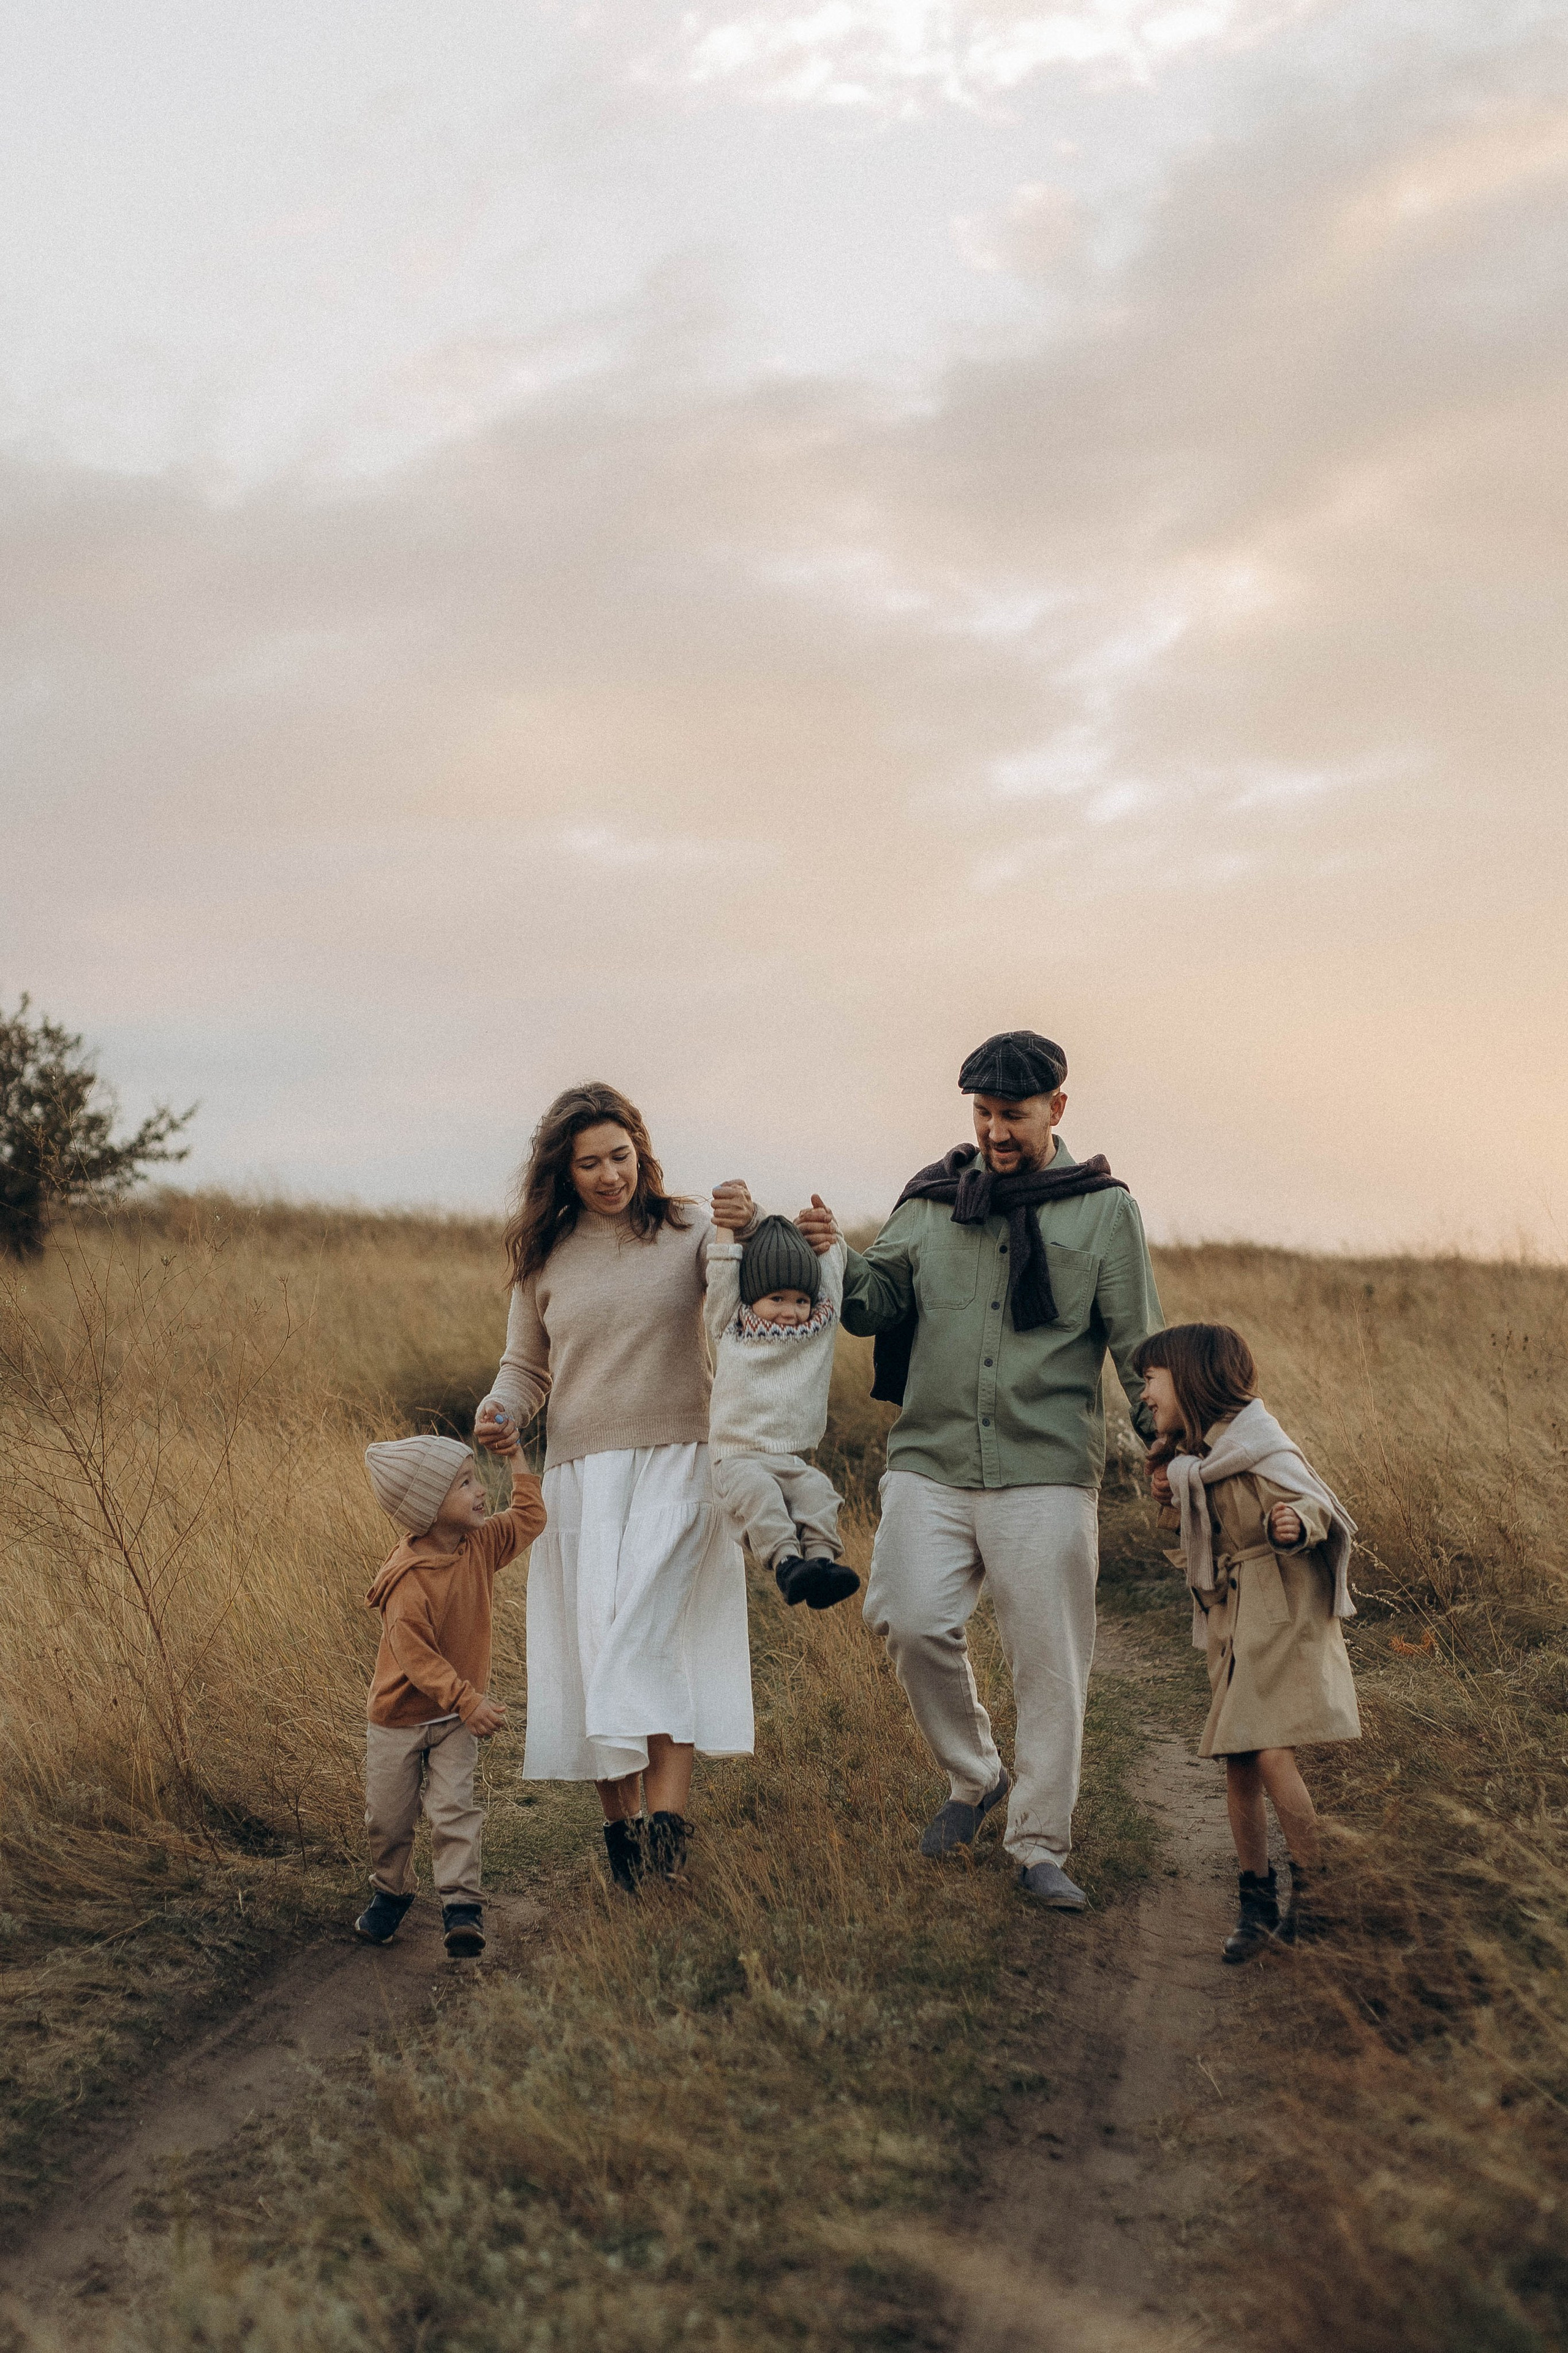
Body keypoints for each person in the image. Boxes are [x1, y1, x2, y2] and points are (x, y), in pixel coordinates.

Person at [799, 1029, 1162, 1910]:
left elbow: (1139, 1342)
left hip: (1045, 1468)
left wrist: (1172, 1445)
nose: (997, 1130)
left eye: (1015, 1113)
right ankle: (976, 1776)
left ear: (1057, 1110)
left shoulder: (1106, 1211)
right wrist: (830, 1256)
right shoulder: (931, 1201)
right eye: (985, 1112)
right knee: (908, 1617)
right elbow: (873, 1303)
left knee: (1049, 1662)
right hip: (932, 1459)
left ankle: (1039, 1845)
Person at [474, 1082, 758, 1896]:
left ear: (643, 1149)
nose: (608, 1175)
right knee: (598, 1652)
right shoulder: (546, 1259)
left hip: (680, 1459)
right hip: (581, 1479)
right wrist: (500, 1410)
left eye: (621, 1156)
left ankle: (669, 1828)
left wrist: (745, 1222)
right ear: (565, 1171)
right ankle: (622, 1838)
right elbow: (526, 1368)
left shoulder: (689, 1230)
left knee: (653, 1635)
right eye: (590, 1163)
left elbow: (741, 1304)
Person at [1134, 1321, 1360, 1960]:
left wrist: (1296, 1523)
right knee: (1238, 1758)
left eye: (1152, 1378)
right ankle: (1256, 1902)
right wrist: (1170, 1481)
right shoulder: (1202, 1455)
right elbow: (1200, 1519)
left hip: (1283, 1606)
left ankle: (1317, 1897)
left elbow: (1319, 1504)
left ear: (1189, 1376)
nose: (1145, 1393)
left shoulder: (1259, 1444)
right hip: (1236, 1615)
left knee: (1267, 1752)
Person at [358, 1425, 545, 1958]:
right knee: (388, 1819)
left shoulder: (479, 1543)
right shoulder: (407, 1582)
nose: (481, 1489)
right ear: (428, 1507)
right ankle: (391, 1892)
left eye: (475, 1476)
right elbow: (418, 1661)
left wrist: (517, 1458)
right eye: (465, 1483)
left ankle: (462, 1908)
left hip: (455, 1719)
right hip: (398, 1717)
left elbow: (531, 1517)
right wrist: (469, 1698)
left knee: (453, 1809)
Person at [705, 1212, 859, 1612]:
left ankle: (822, 1564)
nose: (790, 1311)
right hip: (736, 1458)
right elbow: (722, 1274)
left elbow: (831, 1279)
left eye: (801, 1300)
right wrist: (726, 1225)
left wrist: (830, 1236)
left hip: (787, 1457)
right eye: (777, 1299)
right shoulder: (731, 1327)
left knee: (817, 1491)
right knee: (762, 1495)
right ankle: (788, 1563)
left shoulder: (816, 1330)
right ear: (753, 1296)